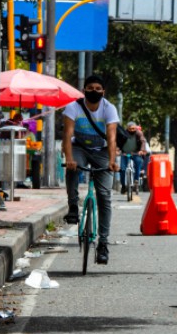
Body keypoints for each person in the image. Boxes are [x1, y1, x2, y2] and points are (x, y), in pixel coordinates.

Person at [62, 74, 120, 265]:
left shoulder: (109, 109)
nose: (94, 91)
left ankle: (103, 244)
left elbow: (111, 138)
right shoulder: (73, 108)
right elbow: (67, 134)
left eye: (98, 89)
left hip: (102, 151)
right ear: (84, 90)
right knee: (72, 169)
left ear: (103, 92)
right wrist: (69, 159)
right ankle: (72, 206)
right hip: (79, 148)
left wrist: (112, 160)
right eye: (90, 88)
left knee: (104, 196)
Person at [120, 122, 150, 194]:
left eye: (133, 129)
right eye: (130, 129)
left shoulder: (139, 133)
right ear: (127, 129)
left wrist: (142, 150)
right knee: (122, 169)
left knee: (138, 163)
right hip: (125, 153)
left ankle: (136, 181)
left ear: (136, 128)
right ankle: (123, 186)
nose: (132, 130)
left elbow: (143, 141)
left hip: (136, 153)